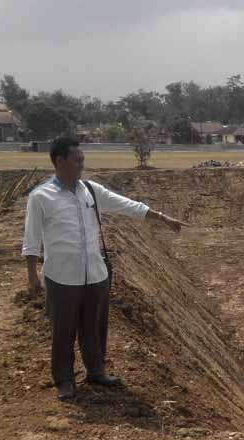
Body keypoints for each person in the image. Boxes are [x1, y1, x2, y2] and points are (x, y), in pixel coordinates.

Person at [22, 136, 185, 400]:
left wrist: (162, 217)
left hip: (96, 274)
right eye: (77, 161)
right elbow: (31, 240)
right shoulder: (41, 197)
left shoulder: (90, 190)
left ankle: (95, 370)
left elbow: (126, 205)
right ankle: (64, 380)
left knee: (95, 327)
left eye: (83, 160)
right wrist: (31, 277)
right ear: (60, 161)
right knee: (63, 331)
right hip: (62, 277)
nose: (81, 166)